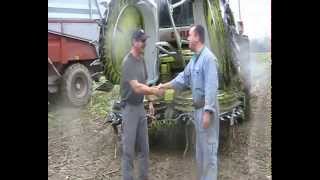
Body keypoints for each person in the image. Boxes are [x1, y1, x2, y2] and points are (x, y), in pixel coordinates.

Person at [158, 24, 220, 180]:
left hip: (207, 111)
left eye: (190, 36)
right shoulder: (194, 60)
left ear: (197, 37)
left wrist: (208, 111)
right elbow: (181, 79)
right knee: (200, 151)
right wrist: (163, 86)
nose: (188, 39)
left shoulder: (208, 58)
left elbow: (211, 86)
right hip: (197, 110)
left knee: (210, 151)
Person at [120, 29, 164, 180]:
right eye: (142, 41)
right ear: (134, 42)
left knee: (145, 148)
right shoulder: (128, 62)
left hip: (139, 108)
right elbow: (137, 87)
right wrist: (154, 91)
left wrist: (150, 101)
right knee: (128, 150)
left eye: (145, 40)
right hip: (129, 109)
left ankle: (144, 177)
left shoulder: (142, 60)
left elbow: (144, 82)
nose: (145, 43)